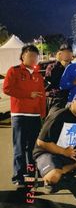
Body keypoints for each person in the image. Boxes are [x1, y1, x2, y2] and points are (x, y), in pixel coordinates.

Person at [33, 92, 76, 193]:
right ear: (72, 102)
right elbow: (40, 142)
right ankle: (54, 179)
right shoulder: (58, 116)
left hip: (67, 152)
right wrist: (64, 152)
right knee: (53, 177)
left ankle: (61, 173)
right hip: (47, 152)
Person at [3, 44, 46, 186]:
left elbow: (41, 96)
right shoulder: (14, 71)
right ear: (23, 56)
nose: (33, 58)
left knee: (32, 148)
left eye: (35, 56)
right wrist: (28, 95)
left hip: (34, 116)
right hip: (19, 115)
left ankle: (30, 175)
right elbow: (7, 89)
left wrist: (43, 114)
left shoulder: (38, 75)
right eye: (30, 55)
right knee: (19, 147)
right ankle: (18, 176)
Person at [45, 43, 73, 115]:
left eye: (68, 52)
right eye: (63, 52)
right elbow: (51, 83)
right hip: (56, 100)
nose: (66, 54)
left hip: (71, 100)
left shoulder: (74, 68)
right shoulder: (52, 67)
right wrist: (58, 64)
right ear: (59, 54)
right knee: (54, 122)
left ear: (71, 54)